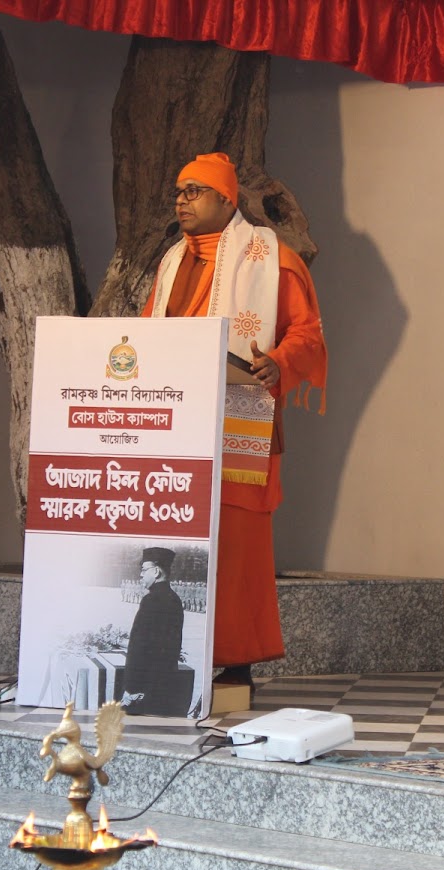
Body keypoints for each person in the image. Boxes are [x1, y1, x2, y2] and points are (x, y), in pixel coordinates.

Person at [142, 153, 328, 690]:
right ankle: (179, 656)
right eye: (178, 191)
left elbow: (307, 332)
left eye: (194, 191)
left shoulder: (273, 260)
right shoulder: (171, 264)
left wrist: (280, 363)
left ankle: (237, 660)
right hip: (176, 421)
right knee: (177, 533)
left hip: (240, 418)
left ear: (227, 200)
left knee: (238, 543)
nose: (181, 201)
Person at [120, 546, 186, 714]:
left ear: (156, 572)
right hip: (163, 684)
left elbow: (139, 646)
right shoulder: (174, 599)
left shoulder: (151, 600)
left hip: (144, 688)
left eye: (144, 570)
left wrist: (131, 687)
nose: (140, 574)